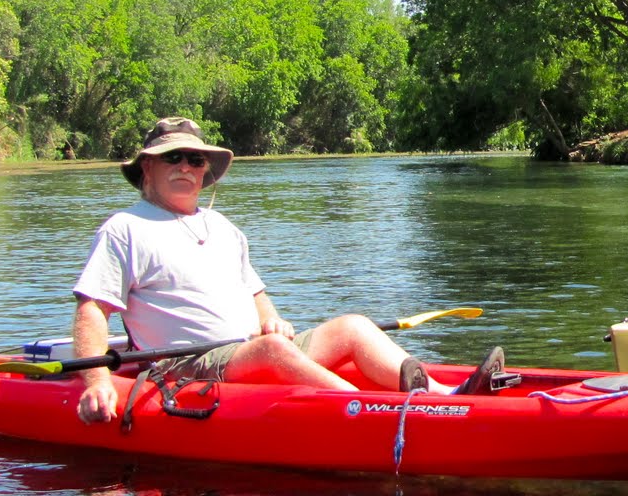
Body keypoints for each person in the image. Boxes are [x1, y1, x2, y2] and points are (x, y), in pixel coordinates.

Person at [71, 116, 505, 425]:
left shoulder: (222, 227)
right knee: (271, 352)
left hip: (246, 351)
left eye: (195, 159)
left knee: (352, 326)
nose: (186, 167)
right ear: (148, 166)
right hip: (184, 367)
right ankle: (381, 415)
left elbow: (255, 295)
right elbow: (92, 309)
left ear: (206, 172)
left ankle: (445, 397)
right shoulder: (125, 229)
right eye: (174, 158)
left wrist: (271, 320)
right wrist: (96, 379)